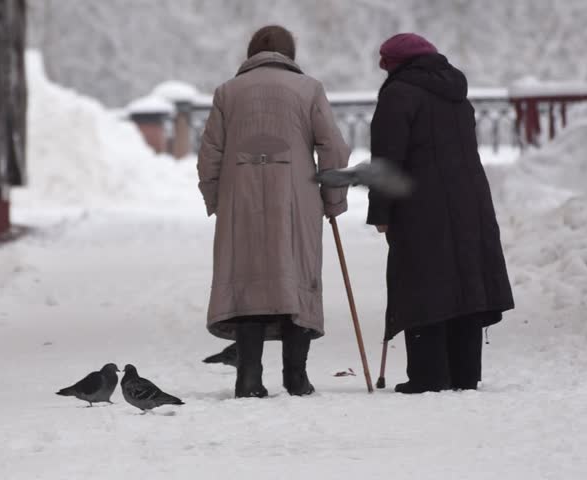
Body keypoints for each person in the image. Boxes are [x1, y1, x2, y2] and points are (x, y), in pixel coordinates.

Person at [197, 25, 350, 398]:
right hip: (297, 199)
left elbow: (209, 157)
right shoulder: (309, 89)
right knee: (295, 276)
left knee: (248, 281)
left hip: (241, 200)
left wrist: (217, 199)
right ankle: (296, 377)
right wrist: (333, 200)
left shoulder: (227, 93)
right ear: (290, 54)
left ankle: (247, 378)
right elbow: (334, 149)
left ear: (251, 53)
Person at [367, 33, 515, 394]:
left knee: (423, 278)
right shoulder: (456, 91)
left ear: (394, 64)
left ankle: (429, 374)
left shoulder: (398, 94)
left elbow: (388, 159)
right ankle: (464, 372)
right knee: (464, 279)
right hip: (469, 199)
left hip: (420, 202)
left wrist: (381, 211)